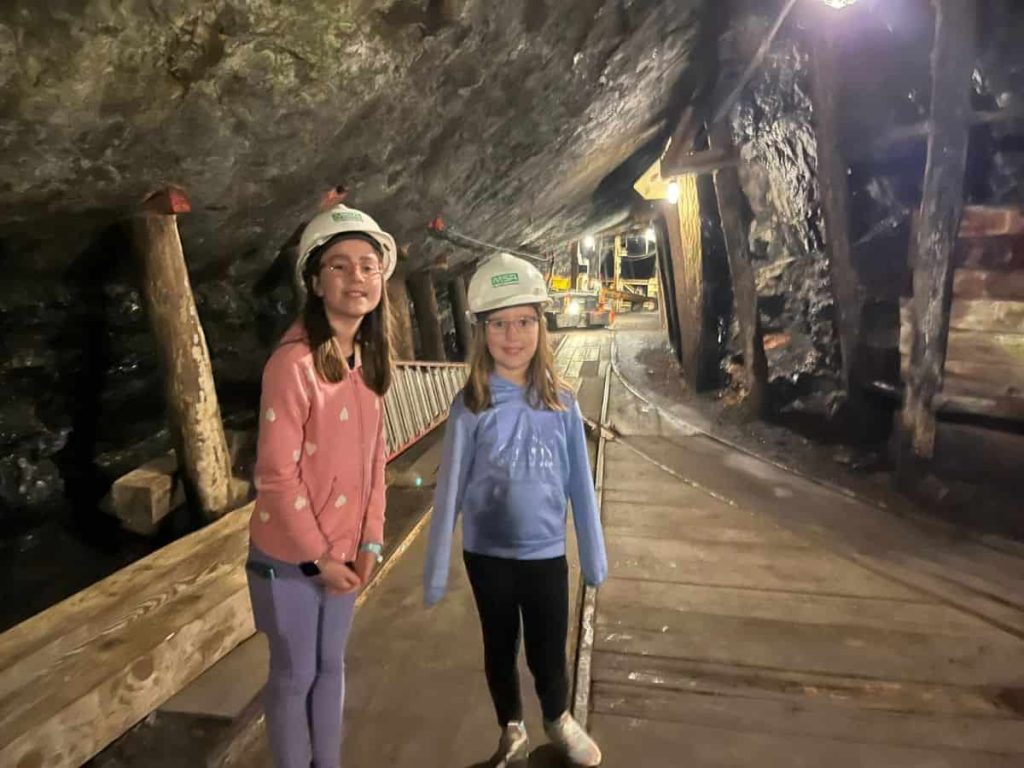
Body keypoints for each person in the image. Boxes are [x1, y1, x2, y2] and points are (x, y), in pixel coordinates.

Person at [422, 253, 608, 767]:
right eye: (499, 323)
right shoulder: (470, 406)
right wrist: (436, 568)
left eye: (524, 321)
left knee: (548, 646)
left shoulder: (562, 403)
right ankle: (512, 726)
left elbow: (580, 484)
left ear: (540, 326)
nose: (513, 335)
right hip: (488, 555)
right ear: (481, 332)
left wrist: (593, 555)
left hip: (545, 552)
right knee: (499, 645)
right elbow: (449, 489)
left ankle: (558, 718)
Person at [247, 203, 396, 768]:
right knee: (295, 673)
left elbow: (375, 461)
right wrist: (318, 559)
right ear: (314, 281)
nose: (357, 277)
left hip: (346, 554)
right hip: (291, 560)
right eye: (339, 265)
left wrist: (370, 540)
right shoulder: (293, 365)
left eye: (368, 265)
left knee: (331, 667)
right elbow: (276, 476)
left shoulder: (370, 360)